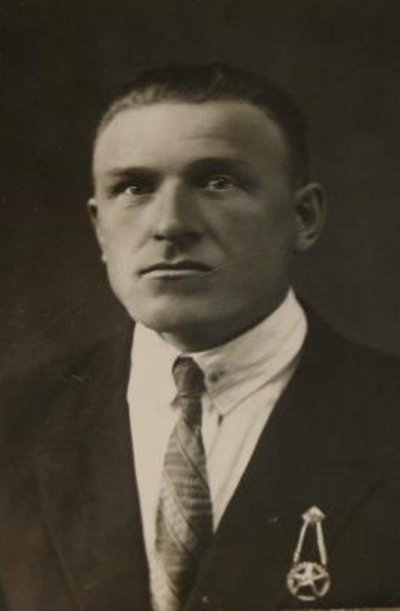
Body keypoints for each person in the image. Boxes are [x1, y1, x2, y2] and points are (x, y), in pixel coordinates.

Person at [2, 63, 400, 611]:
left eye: (218, 182)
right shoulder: (15, 424)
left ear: (304, 217)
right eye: (133, 188)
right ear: (99, 229)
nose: (170, 223)